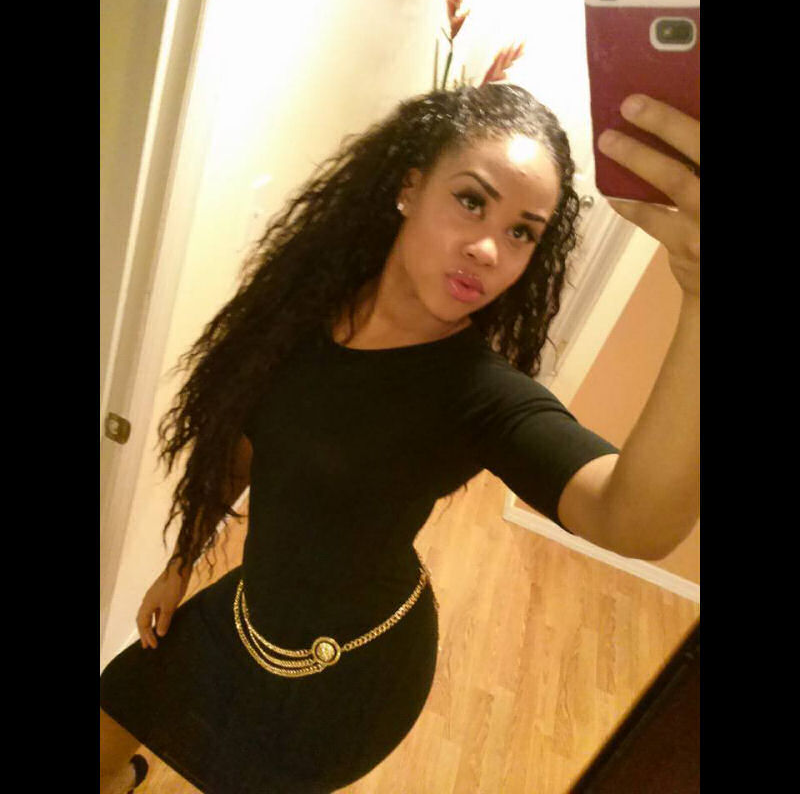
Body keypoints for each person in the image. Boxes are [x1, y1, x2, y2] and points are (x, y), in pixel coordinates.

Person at [99, 83, 699, 794]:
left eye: (522, 233)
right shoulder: (298, 312)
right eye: (471, 200)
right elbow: (245, 449)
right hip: (242, 614)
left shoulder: (480, 396)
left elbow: (631, 519)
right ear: (410, 188)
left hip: (349, 677)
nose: (487, 248)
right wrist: (181, 561)